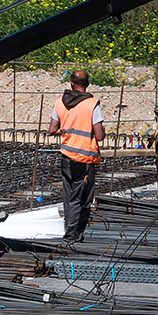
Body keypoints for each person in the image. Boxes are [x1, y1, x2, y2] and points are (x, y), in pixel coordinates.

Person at [48, 70, 106, 244]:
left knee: (69, 197)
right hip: (84, 159)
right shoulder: (92, 105)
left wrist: (66, 129)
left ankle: (72, 232)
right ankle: (72, 236)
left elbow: (52, 130)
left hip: (66, 156)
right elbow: (100, 135)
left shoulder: (60, 102)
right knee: (82, 199)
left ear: (71, 83)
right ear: (87, 84)